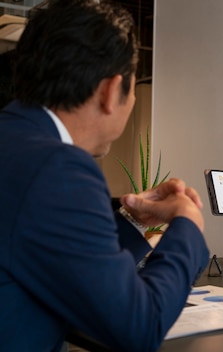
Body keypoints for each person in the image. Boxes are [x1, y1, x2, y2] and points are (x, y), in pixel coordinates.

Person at [0, 1, 209, 351]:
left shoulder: (14, 140)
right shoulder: (57, 167)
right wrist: (187, 224)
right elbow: (139, 327)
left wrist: (134, 222)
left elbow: (56, 256)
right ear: (112, 90)